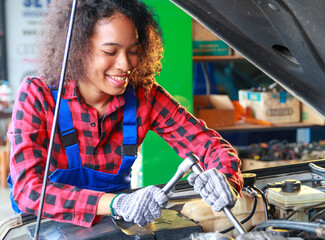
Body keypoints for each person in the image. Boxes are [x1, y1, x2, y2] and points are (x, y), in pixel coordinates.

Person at [7, 0, 243, 228]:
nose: (125, 64)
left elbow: (210, 145)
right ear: (78, 49)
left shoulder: (145, 97)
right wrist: (117, 202)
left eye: (133, 51)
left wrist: (226, 179)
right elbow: (28, 190)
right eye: (110, 51)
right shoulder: (38, 96)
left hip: (110, 227)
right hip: (43, 226)